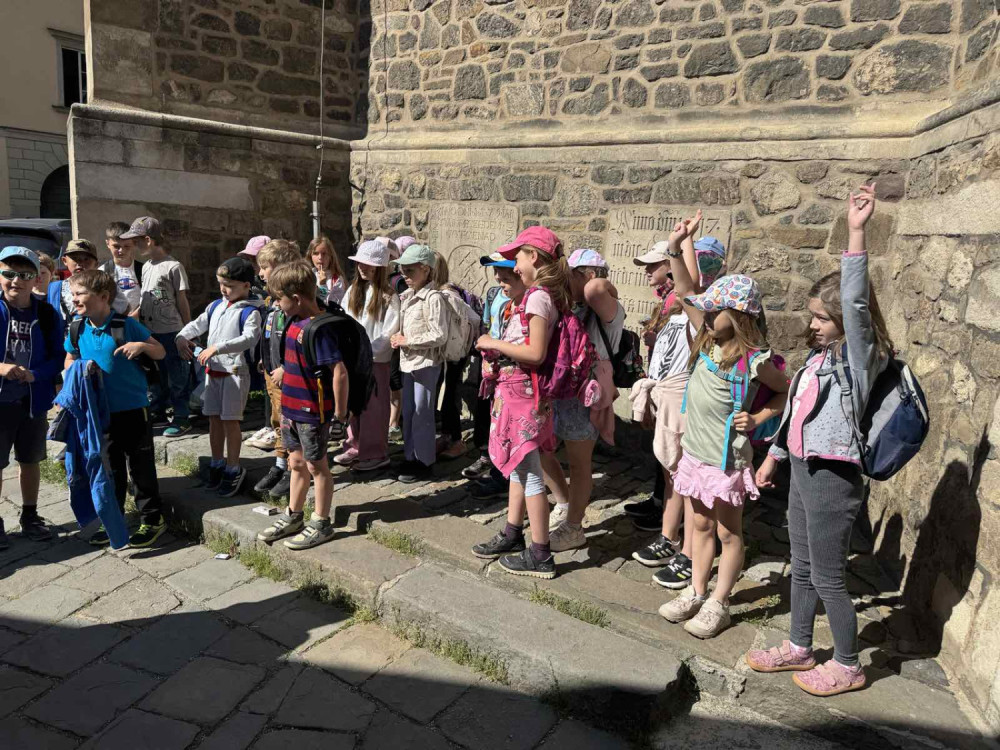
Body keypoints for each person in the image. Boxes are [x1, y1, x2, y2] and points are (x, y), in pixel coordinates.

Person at [746, 185, 888, 696]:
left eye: (822, 318)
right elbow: (796, 413)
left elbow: (855, 302)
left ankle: (848, 664)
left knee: (829, 576)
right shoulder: (818, 359)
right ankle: (800, 646)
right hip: (804, 472)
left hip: (833, 476)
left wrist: (855, 232)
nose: (813, 324)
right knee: (802, 568)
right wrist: (774, 457)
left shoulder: (859, 359)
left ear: (847, 323)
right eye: (813, 315)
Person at [656, 214, 788, 639]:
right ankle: (697, 590)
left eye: (717, 309)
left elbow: (786, 393)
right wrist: (676, 245)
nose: (708, 312)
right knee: (699, 526)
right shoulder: (706, 338)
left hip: (726, 461)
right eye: (708, 308)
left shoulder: (755, 361)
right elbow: (684, 291)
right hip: (696, 454)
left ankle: (720, 601)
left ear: (740, 315)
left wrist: (761, 417)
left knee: (729, 533)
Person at [630, 230, 727, 589]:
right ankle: (670, 537)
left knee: (689, 481)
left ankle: (689, 550)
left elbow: (691, 288)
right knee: (673, 476)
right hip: (670, 399)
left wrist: (681, 245)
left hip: (688, 404)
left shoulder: (705, 313)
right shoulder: (678, 309)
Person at [471, 226, 568, 580]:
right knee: (518, 467)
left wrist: (494, 344)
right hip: (517, 395)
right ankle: (513, 532)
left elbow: (536, 352)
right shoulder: (535, 297)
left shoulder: (538, 298)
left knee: (530, 475)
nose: (513, 265)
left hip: (524, 398)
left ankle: (540, 553)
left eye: (518, 257)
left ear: (534, 258)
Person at [64, 269, 168, 547]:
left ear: (103, 297)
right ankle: (114, 519)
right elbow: (69, 358)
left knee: (141, 467)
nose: (74, 299)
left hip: (134, 409)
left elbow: (159, 351)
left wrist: (141, 346)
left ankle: (153, 519)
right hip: (100, 413)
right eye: (73, 294)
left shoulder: (125, 325)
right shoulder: (77, 328)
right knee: (112, 470)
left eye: (80, 293)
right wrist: (74, 371)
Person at [257, 261, 348, 550]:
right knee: (296, 463)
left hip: (312, 412)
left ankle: (321, 522)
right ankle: (294, 515)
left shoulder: (318, 329)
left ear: (296, 298)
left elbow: (339, 372)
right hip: (290, 410)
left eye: (279, 299)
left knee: (317, 466)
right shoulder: (293, 322)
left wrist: (340, 415)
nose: (276, 305)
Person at [540, 248, 623, 552]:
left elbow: (597, 288)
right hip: (561, 388)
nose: (563, 281)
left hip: (585, 392)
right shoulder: (570, 305)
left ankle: (574, 527)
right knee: (539, 449)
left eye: (569, 275)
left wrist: (599, 280)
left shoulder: (607, 307)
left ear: (586, 275)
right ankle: (564, 502)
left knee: (579, 464)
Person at [176, 258, 264, 497]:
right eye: (221, 284)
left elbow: (249, 338)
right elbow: (198, 324)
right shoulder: (216, 305)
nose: (224, 289)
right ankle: (217, 462)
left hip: (234, 373)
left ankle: (233, 467)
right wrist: (182, 336)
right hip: (213, 372)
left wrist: (217, 348)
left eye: (230, 285)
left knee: (230, 421)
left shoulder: (250, 311)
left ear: (246, 285)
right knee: (213, 419)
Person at [0, 247, 64, 548]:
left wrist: (36, 375)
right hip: (1, 401)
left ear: (36, 278)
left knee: (30, 460)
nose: (16, 281)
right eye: (9, 273)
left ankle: (30, 515)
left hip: (32, 401)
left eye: (25, 275)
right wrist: (2, 368)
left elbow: (57, 357)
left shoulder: (47, 314)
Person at [124, 216, 193, 437]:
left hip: (172, 332)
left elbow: (181, 300)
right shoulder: (146, 267)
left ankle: (182, 417)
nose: (134, 246)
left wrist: (188, 331)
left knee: (177, 376)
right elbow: (146, 298)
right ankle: (158, 411)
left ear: (148, 240)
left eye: (136, 241)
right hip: (151, 332)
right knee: (156, 375)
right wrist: (132, 318)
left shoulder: (174, 267)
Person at [336, 238, 399, 472]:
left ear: (380, 267)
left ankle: (375, 451)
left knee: (374, 407)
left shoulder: (389, 296)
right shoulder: (354, 291)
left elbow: (389, 331)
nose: (362, 268)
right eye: (360, 263)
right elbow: (345, 320)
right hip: (354, 359)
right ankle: (354, 444)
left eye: (368, 264)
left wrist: (367, 351)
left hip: (374, 360)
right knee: (354, 403)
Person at [389, 244, 448, 483]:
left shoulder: (433, 298)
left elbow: (439, 334)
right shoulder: (408, 296)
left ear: (425, 269)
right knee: (410, 411)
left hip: (426, 363)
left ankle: (424, 460)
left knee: (423, 412)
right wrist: (398, 337)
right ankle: (410, 456)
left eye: (410, 270)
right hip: (409, 363)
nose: (405, 274)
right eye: (403, 270)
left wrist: (408, 340)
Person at [252, 239, 302, 499]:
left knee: (288, 422)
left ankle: (293, 469)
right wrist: (265, 358)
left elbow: (296, 338)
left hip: (288, 373)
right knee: (276, 419)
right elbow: (270, 332)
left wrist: (285, 366)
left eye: (265, 267)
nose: (261, 273)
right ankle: (280, 464)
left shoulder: (295, 300)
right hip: (271, 370)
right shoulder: (272, 299)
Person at [464, 252, 515, 500]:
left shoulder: (525, 299)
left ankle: (503, 475)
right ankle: (488, 456)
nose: (497, 276)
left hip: (510, 367)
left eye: (503, 271)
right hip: (490, 364)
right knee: (487, 413)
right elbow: (487, 324)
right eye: (495, 271)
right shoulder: (494, 293)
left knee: (506, 422)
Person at [47, 238, 100, 335]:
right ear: (64, 261)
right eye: (75, 258)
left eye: (86, 259)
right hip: (65, 342)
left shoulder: (103, 286)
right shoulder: (54, 289)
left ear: (96, 263)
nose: (80, 263)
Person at [387, 236, 412, 438]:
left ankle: (394, 421)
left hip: (396, 338)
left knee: (394, 379)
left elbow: (405, 309)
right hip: (386, 339)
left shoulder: (398, 282)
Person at [99, 221, 144, 317]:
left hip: (139, 322)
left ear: (134, 243)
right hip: (113, 321)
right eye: (116, 246)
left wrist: (135, 316)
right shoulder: (102, 272)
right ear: (108, 243)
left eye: (126, 246)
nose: (121, 251)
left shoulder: (143, 269)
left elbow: (149, 297)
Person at [308, 235, 346, 307]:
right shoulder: (308, 274)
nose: (320, 257)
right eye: (316, 253)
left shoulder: (336, 280)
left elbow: (331, 307)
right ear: (310, 256)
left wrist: (323, 286)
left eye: (324, 254)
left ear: (330, 256)